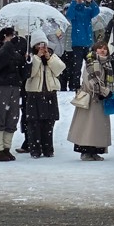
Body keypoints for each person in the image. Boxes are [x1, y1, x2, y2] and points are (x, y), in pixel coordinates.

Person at [68, 40, 114, 161]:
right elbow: (93, 82)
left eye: (105, 48)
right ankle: (87, 151)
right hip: (92, 99)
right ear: (95, 50)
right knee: (89, 127)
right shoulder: (93, 62)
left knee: (93, 127)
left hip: (98, 99)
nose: (103, 50)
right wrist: (105, 91)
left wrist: (111, 90)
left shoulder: (105, 63)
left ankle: (92, 151)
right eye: (100, 48)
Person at [23, 30, 65, 158]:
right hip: (34, 94)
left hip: (49, 94)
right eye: (39, 45)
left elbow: (60, 69)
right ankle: (35, 149)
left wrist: (49, 58)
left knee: (49, 123)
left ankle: (48, 149)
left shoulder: (52, 56)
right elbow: (31, 73)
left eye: (44, 45)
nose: (42, 48)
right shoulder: (30, 57)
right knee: (34, 124)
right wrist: (36, 58)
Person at [0, 28, 28, 162]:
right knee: (0, 117)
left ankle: (6, 148)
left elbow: (24, 74)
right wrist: (9, 47)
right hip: (2, 87)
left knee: (12, 117)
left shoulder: (17, 53)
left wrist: (26, 62)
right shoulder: (0, 52)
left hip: (14, 87)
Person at [65, 0, 100, 91]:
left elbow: (96, 11)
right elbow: (69, 15)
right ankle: (74, 86)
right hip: (77, 44)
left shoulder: (87, 10)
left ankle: (91, 84)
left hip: (88, 43)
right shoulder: (74, 9)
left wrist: (91, 1)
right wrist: (74, 1)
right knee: (77, 67)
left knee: (91, 66)